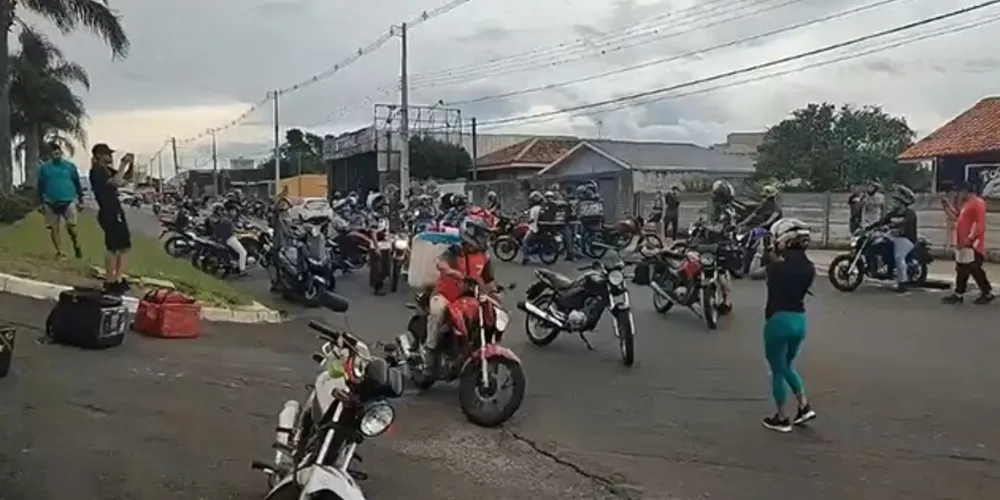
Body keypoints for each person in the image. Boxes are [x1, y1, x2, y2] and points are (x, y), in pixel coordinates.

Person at [761, 217, 816, 433]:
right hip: (799, 321)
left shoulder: (776, 268)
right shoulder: (809, 268)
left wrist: (769, 253)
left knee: (777, 369)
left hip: (778, 321)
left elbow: (767, 268)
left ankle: (782, 417)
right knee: (788, 366)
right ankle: (804, 405)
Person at [422, 216, 497, 375]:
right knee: (437, 313)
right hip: (445, 294)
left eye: (486, 235)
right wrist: (454, 272)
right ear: (471, 233)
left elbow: (489, 280)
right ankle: (429, 353)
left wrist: (495, 293)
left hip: (470, 297)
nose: (485, 239)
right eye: (482, 234)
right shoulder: (455, 250)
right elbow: (441, 263)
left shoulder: (485, 256)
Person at [89, 144, 134, 293]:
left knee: (124, 246)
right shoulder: (96, 171)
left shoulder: (106, 170)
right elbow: (114, 182)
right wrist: (123, 164)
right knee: (113, 248)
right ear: (99, 155)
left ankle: (118, 278)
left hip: (115, 209)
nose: (110, 156)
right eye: (107, 154)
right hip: (108, 211)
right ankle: (110, 280)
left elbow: (125, 179)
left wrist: (130, 165)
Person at [942, 182, 994, 304]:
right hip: (963, 243)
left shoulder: (978, 203)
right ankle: (959, 294)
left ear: (966, 191)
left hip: (972, 244)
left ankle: (986, 293)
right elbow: (958, 217)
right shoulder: (967, 204)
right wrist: (947, 207)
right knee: (962, 269)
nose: (958, 195)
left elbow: (980, 224)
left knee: (974, 269)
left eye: (960, 192)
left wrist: (970, 239)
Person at [36, 142, 84, 258]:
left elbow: (77, 183)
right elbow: (40, 186)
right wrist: (40, 203)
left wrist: (81, 200)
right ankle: (60, 252)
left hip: (68, 200)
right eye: (53, 152)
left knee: (71, 226)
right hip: (50, 201)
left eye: (57, 151)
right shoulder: (44, 168)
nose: (55, 154)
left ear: (61, 152)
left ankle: (76, 245)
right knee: (54, 228)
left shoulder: (70, 167)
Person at [872, 184, 918, 294]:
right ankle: (884, 267)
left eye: (897, 201)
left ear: (903, 202)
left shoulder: (910, 214)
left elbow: (905, 226)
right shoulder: (893, 213)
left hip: (906, 239)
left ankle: (902, 283)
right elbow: (882, 222)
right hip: (894, 237)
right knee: (878, 243)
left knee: (899, 256)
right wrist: (869, 228)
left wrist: (891, 227)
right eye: (895, 200)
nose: (894, 203)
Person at [520, 191, 545, 265]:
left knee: (524, 241)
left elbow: (532, 219)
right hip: (540, 228)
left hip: (534, 228)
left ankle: (525, 257)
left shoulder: (534, 209)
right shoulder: (541, 207)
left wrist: (526, 221)